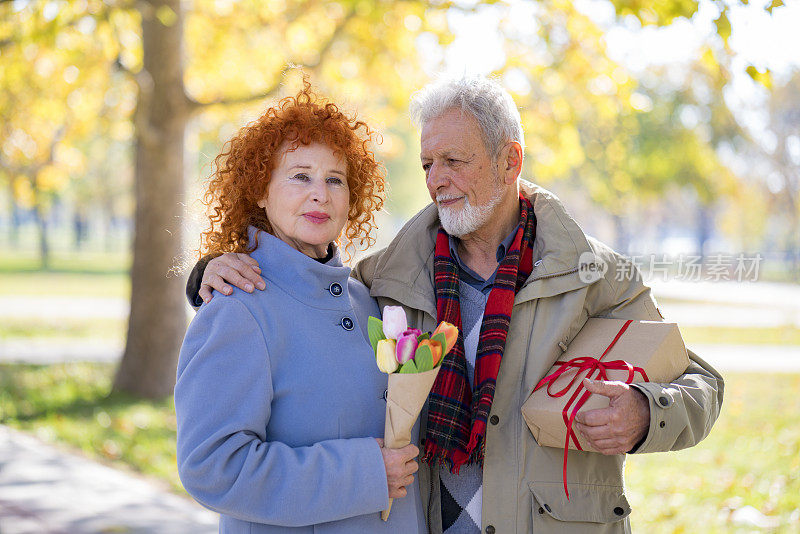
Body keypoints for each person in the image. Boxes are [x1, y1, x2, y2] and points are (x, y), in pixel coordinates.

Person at [188, 76, 724, 534]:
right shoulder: (389, 280)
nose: (436, 179)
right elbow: (296, 301)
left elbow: (700, 383)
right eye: (427, 163)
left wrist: (644, 412)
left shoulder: (593, 275)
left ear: (510, 158)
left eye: (454, 160)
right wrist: (208, 274)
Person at [175, 85, 427, 534]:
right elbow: (213, 466)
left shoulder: (368, 301)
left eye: (335, 179)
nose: (320, 195)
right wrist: (366, 474)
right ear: (260, 191)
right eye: (299, 176)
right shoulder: (237, 308)